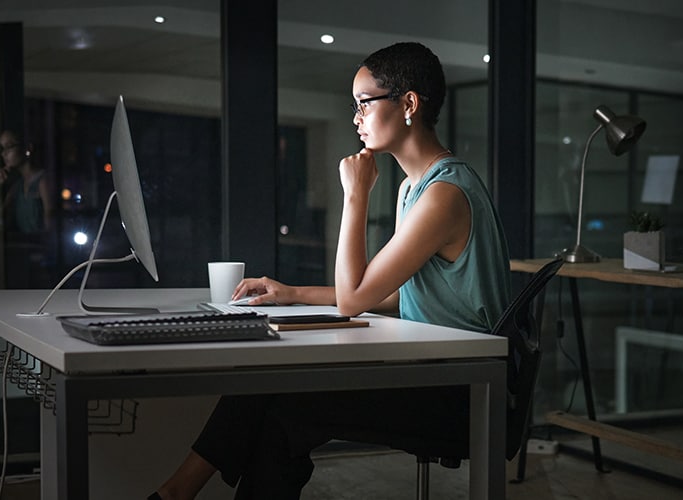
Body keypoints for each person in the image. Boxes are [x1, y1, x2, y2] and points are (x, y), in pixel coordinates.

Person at [151, 42, 511, 500]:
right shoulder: (414, 188)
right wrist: (291, 293)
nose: (356, 118)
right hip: (431, 368)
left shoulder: (443, 195)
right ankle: (174, 493)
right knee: (270, 385)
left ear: (409, 104)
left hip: (463, 391)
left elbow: (354, 299)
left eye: (364, 103)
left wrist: (355, 195)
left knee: (288, 409)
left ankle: (173, 494)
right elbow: (399, 297)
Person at [0, 130, 54, 233]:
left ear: (27, 148)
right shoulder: (17, 187)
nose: (4, 153)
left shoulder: (43, 182)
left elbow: (51, 227)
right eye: (2, 148)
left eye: (9, 147)